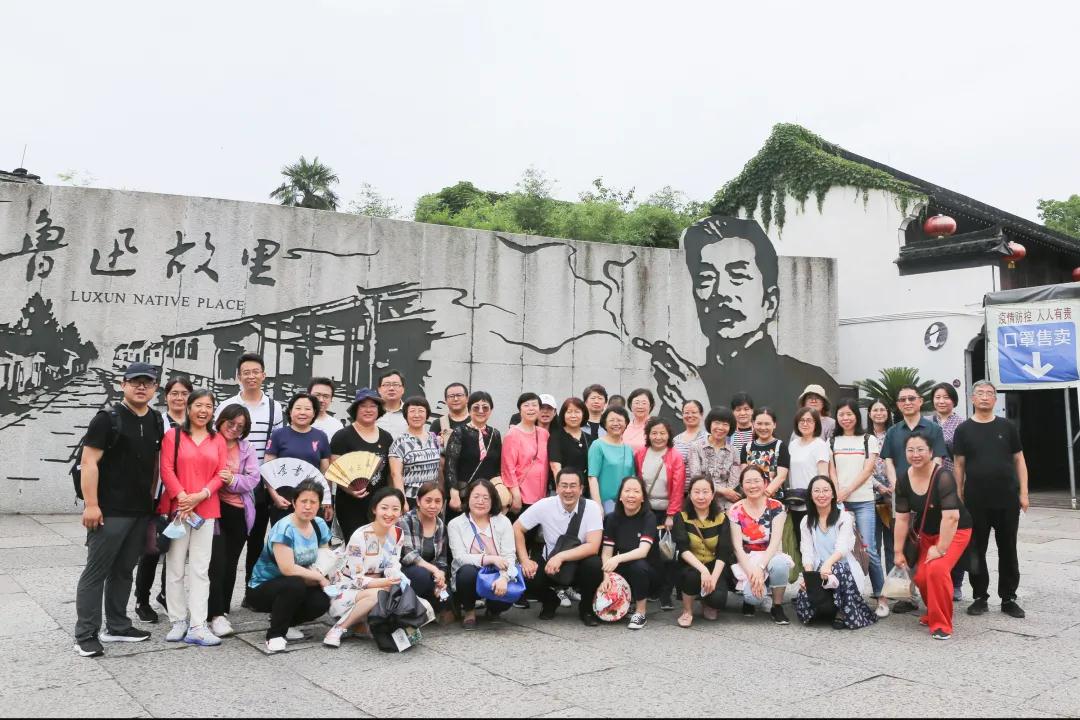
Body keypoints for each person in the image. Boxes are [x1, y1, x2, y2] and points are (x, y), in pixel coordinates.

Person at [637, 216, 840, 429]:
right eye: (706, 279)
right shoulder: (684, 387)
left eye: (738, 275)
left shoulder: (809, 382)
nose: (720, 292)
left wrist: (697, 407)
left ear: (770, 302)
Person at [73, 363, 163, 657]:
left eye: (147, 383)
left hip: (140, 511)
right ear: (123, 385)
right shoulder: (107, 419)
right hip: (109, 511)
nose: (141, 387)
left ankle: (118, 626)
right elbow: (88, 462)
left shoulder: (156, 419)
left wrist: (152, 502)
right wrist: (92, 505)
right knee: (96, 572)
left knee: (124, 571)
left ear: (155, 388)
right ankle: (86, 634)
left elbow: (155, 464)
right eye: (135, 382)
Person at [954, 380, 1028, 619]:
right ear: (972, 399)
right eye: (980, 393)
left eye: (989, 393)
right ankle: (980, 597)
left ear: (995, 399)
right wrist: (958, 495)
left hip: (1007, 498)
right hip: (975, 500)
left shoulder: (1007, 427)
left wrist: (1024, 493)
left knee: (1008, 548)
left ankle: (1008, 598)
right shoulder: (963, 430)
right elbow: (959, 464)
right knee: (976, 550)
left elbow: (1019, 460)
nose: (985, 397)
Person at [159, 389, 227, 646]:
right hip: (179, 511)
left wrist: (201, 495)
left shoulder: (217, 439)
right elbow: (166, 469)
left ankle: (198, 624)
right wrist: (182, 497)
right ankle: (178, 620)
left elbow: (221, 473)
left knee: (200, 569)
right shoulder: (173, 435)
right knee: (175, 567)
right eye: (198, 405)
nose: (203, 411)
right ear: (188, 408)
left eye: (208, 406)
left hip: (206, 509)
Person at [216, 352, 284, 594]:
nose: (251, 376)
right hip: (227, 484)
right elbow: (217, 441)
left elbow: (275, 446)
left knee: (256, 540)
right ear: (238, 376)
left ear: (264, 375)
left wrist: (270, 484)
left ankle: (251, 592)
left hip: (259, 484)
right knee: (228, 544)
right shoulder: (226, 406)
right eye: (246, 372)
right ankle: (221, 596)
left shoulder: (275, 408)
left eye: (256, 372)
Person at [894, 432, 973, 640]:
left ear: (931, 452)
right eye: (910, 450)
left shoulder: (943, 476)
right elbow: (901, 519)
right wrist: (898, 551)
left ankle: (941, 624)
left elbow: (951, 518)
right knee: (921, 576)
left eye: (920, 449)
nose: (915, 454)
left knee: (937, 569)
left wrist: (940, 549)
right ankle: (934, 612)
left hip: (955, 530)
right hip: (927, 532)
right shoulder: (903, 479)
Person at [878, 384, 947, 615]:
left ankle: (931, 589)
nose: (907, 402)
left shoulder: (933, 429)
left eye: (911, 398)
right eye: (903, 399)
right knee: (900, 543)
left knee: (925, 541)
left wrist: (928, 484)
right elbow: (888, 460)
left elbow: (938, 459)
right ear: (898, 405)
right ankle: (905, 594)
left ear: (920, 401)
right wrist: (896, 483)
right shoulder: (893, 431)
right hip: (901, 495)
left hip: (928, 495)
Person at [246, 479, 332, 653]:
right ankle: (275, 635)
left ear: (319, 505)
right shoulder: (284, 528)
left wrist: (326, 575)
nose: (308, 506)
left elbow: (325, 554)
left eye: (313, 502)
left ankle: (286, 622)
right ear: (294, 503)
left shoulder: (319, 524)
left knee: (321, 601)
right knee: (294, 584)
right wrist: (318, 577)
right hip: (263, 587)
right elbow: (288, 569)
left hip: (300, 582)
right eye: (303, 501)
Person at [515, 468, 605, 625]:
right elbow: (517, 528)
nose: (568, 490)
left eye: (573, 486)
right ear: (556, 488)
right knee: (527, 574)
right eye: (564, 485)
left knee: (595, 564)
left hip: (579, 562)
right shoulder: (544, 505)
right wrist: (524, 560)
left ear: (581, 489)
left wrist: (561, 557)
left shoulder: (592, 508)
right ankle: (550, 600)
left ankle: (586, 609)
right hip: (549, 563)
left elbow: (593, 546)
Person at [134, 375, 192, 623]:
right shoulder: (158, 421)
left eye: (184, 394)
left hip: (185, 496)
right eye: (174, 393)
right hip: (159, 494)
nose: (179, 398)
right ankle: (142, 599)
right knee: (152, 548)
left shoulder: (195, 423)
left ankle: (166, 594)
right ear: (166, 396)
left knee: (177, 548)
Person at [323, 487, 407, 647]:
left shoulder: (398, 533)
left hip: (380, 585)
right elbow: (356, 579)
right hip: (348, 588)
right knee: (378, 594)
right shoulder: (360, 536)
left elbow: (393, 563)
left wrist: (395, 578)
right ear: (374, 509)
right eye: (384, 508)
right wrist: (384, 582)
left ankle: (361, 624)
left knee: (406, 594)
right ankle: (338, 628)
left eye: (395, 509)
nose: (389, 513)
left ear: (401, 511)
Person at [829, 398, 888, 617]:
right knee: (841, 549)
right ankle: (846, 595)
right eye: (841, 414)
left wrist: (848, 490)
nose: (845, 418)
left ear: (857, 416)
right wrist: (837, 491)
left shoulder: (868, 439)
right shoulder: (832, 440)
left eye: (849, 414)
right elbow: (831, 470)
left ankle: (881, 596)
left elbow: (868, 470)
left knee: (868, 549)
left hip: (863, 501)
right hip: (839, 501)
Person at [206, 405, 262, 638]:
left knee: (230, 563)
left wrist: (232, 480)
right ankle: (213, 612)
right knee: (215, 562)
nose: (235, 428)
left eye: (240, 426)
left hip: (238, 511)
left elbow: (253, 479)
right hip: (212, 507)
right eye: (231, 423)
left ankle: (222, 610)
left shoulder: (246, 448)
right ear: (221, 420)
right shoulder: (208, 441)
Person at [794, 475, 878, 629]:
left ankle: (842, 611)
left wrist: (828, 564)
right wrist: (809, 577)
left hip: (844, 569)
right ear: (811, 495)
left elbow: (842, 548)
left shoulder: (844, 517)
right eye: (817, 491)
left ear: (833, 494)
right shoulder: (806, 521)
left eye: (826, 490)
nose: (821, 495)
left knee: (837, 569)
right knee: (804, 608)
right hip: (820, 570)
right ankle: (827, 608)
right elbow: (807, 550)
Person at [447, 479, 518, 628]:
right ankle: (469, 611)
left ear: (493, 501)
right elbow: (459, 557)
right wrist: (490, 558)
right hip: (471, 575)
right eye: (476, 496)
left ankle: (493, 610)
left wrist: (504, 578)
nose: (481, 501)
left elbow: (509, 556)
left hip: (497, 573)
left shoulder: (503, 522)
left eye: (486, 498)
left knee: (509, 588)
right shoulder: (455, 524)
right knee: (466, 572)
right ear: (468, 498)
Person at [728, 464, 794, 624]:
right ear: (742, 486)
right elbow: (737, 547)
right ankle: (750, 597)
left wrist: (760, 568)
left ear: (765, 483)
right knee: (754, 598)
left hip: (769, 555)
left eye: (756, 481)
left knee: (780, 564)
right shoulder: (735, 509)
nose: (753, 486)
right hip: (747, 558)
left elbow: (775, 542)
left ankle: (777, 606)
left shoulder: (776, 507)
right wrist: (752, 572)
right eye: (748, 482)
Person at [328, 389, 394, 543]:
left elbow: (389, 473)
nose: (368, 410)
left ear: (379, 410)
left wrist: (392, 498)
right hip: (350, 503)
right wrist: (349, 489)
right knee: (355, 545)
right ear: (355, 409)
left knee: (378, 544)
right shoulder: (342, 436)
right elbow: (335, 470)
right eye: (363, 406)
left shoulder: (386, 437)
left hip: (380, 504)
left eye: (373, 406)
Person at [634, 418, 685, 608]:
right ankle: (651, 589)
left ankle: (665, 594)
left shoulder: (675, 456)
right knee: (649, 550)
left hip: (667, 512)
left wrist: (671, 515)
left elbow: (678, 488)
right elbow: (637, 481)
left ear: (669, 435)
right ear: (648, 435)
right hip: (646, 510)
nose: (658, 437)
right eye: (654, 433)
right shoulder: (640, 453)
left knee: (667, 553)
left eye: (662, 433)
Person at [672, 477, 736, 627]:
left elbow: (723, 552)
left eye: (705, 492)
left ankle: (707, 601)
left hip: (714, 564)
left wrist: (713, 578)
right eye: (697, 492)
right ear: (690, 495)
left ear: (713, 495)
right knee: (691, 577)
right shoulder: (681, 517)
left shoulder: (721, 518)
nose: (701, 497)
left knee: (718, 600)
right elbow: (683, 549)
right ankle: (687, 611)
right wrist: (703, 570)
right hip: (690, 564)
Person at [599, 476, 659, 630]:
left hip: (648, 571)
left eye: (636, 491)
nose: (631, 495)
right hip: (624, 565)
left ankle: (640, 612)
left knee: (638, 566)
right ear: (620, 496)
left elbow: (643, 551)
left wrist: (617, 559)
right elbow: (606, 553)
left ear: (643, 498)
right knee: (596, 565)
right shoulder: (612, 518)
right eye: (627, 491)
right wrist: (606, 576)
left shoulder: (649, 517)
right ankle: (617, 602)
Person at [265, 392, 332, 524]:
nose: (302, 412)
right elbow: (268, 469)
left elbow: (326, 472)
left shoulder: (321, 436)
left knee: (310, 535)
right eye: (298, 408)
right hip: (283, 500)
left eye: (307, 409)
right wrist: (274, 496)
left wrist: (327, 501)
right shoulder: (278, 435)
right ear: (290, 411)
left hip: (311, 501)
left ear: (314, 413)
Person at [930, 382, 967, 601]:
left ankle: (956, 583)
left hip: (953, 485)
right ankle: (935, 579)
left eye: (946, 397)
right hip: (929, 487)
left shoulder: (962, 424)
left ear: (953, 400)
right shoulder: (927, 423)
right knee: (933, 534)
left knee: (955, 535)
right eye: (937, 397)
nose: (941, 401)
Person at [397, 483, 450, 622]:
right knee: (420, 575)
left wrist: (441, 579)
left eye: (437, 501)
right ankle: (406, 610)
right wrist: (434, 570)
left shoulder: (441, 526)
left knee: (446, 595)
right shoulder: (405, 520)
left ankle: (425, 608)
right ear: (418, 501)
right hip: (406, 571)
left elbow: (442, 561)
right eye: (428, 500)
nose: (433, 505)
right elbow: (408, 555)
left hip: (430, 574)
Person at [444, 391, 502, 514]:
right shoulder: (459, 432)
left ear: (491, 410)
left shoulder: (495, 434)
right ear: (469, 410)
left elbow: (498, 467)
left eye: (485, 407)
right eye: (476, 407)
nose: (481, 411)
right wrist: (454, 494)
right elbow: (450, 466)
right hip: (463, 495)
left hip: (486, 496)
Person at [501, 392, 550, 514]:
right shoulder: (512, 434)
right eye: (526, 405)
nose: (531, 408)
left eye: (534, 405)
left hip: (542, 496)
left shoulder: (544, 434)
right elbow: (508, 467)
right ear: (520, 410)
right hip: (521, 496)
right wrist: (516, 495)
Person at [389, 395, 442, 505]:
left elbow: (440, 470)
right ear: (406, 415)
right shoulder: (399, 443)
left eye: (421, 411)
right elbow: (396, 474)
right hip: (411, 498)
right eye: (412, 411)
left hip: (432, 498)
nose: (417, 415)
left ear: (427, 414)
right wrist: (402, 501)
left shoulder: (434, 439)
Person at [688, 406, 742, 511]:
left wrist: (727, 498)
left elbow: (733, 482)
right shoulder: (696, 447)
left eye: (725, 424)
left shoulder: (734, 452)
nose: (720, 427)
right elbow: (696, 477)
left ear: (730, 427)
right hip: (701, 500)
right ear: (710, 424)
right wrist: (723, 491)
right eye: (717, 423)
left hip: (726, 504)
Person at [786, 407, 831, 532]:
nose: (805, 424)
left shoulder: (820, 445)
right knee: (799, 539)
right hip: (795, 500)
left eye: (809, 420)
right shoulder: (793, 444)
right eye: (802, 420)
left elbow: (823, 475)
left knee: (814, 537)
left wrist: (819, 496)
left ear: (816, 424)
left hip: (813, 502)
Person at [587, 407, 636, 512]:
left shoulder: (628, 448)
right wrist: (598, 505)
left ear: (626, 423)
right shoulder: (598, 445)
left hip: (626, 505)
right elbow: (592, 477)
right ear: (604, 424)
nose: (616, 423)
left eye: (619, 420)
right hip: (605, 504)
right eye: (612, 420)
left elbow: (632, 477)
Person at [867, 399, 895, 573]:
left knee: (893, 542)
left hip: (892, 493)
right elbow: (860, 467)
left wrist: (892, 485)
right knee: (873, 543)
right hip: (869, 493)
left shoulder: (895, 434)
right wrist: (878, 485)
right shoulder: (864, 437)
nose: (879, 413)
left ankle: (894, 582)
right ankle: (878, 584)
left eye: (882, 410)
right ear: (869, 414)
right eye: (875, 410)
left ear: (888, 413)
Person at [739, 407, 790, 500]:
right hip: (751, 499)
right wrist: (754, 496)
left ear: (774, 425)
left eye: (767, 424)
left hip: (773, 499)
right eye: (759, 423)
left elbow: (781, 476)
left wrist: (764, 496)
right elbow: (744, 476)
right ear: (753, 423)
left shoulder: (780, 446)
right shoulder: (746, 448)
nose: (763, 428)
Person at [549, 398, 593, 497]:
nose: (573, 415)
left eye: (577, 412)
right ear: (563, 415)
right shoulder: (556, 436)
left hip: (583, 491)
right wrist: (562, 489)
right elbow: (555, 467)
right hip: (563, 490)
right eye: (569, 412)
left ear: (583, 414)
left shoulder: (589, 438)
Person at [431, 382, 470, 446]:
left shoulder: (476, 422)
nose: (455, 399)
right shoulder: (438, 423)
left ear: (467, 398)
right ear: (445, 400)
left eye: (459, 395)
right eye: (451, 396)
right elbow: (430, 449)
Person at [375, 369, 408, 438]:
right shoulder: (370, 412)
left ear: (403, 389)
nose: (391, 388)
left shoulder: (410, 412)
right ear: (379, 390)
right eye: (387, 385)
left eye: (395, 384)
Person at [673, 400, 707, 464]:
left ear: (701, 414)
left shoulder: (708, 438)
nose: (690, 415)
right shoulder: (675, 440)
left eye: (694, 412)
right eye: (686, 413)